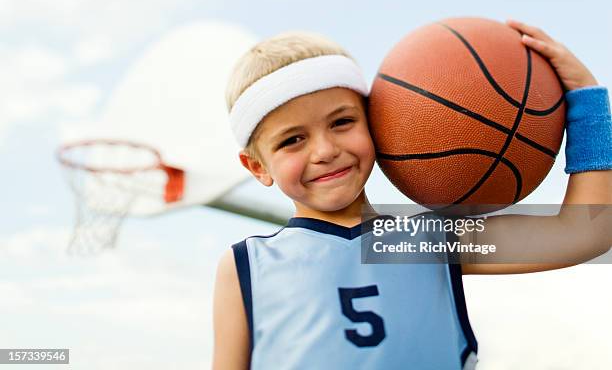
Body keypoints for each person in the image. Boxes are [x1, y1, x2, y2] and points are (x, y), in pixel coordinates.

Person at [212, 21, 611, 369]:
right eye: (293, 140)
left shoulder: (436, 241)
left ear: (375, 122)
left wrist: (588, 102)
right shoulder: (247, 265)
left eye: (342, 122)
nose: (325, 150)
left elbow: (586, 231)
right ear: (257, 167)